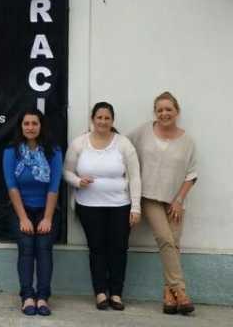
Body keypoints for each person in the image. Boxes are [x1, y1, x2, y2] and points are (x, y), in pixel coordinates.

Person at [63, 101, 141, 311]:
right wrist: (78, 181)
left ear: (112, 121)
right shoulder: (79, 143)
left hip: (120, 206)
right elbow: (66, 171)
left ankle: (116, 293)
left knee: (119, 248)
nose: (103, 121)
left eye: (107, 118)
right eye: (99, 117)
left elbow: (135, 177)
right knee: (97, 248)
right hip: (89, 205)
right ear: (92, 119)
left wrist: (136, 207)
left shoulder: (123, 144)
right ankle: (100, 292)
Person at [129, 92, 197, 315]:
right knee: (166, 240)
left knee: (174, 245)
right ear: (155, 112)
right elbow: (122, 145)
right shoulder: (143, 132)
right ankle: (182, 292)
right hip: (149, 197)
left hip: (175, 201)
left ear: (177, 112)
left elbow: (191, 174)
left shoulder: (187, 141)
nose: (164, 113)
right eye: (159, 110)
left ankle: (169, 295)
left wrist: (179, 200)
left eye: (168, 109)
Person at [3, 109, 63, 317]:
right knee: (27, 246)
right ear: (21, 126)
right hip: (21, 208)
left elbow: (54, 186)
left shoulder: (53, 151)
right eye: (26, 123)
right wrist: (23, 218)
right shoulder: (11, 151)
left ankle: (43, 297)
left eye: (34, 123)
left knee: (44, 247)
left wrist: (47, 218)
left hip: (47, 209)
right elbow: (11, 186)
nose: (30, 127)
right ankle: (27, 296)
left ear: (41, 126)